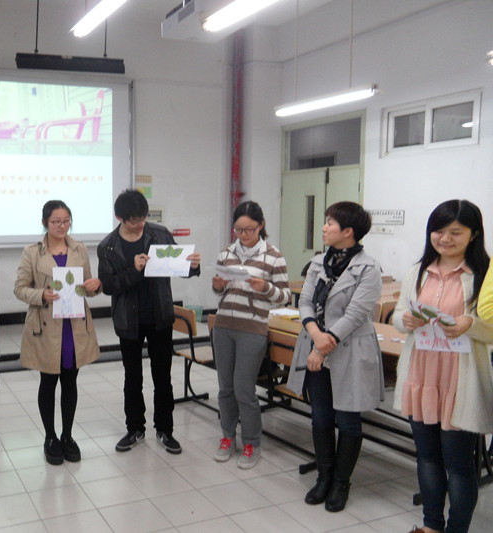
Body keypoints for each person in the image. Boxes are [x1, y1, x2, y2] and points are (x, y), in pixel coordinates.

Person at [391, 200, 493, 533]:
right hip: (421, 375)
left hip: (460, 380)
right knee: (427, 457)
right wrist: (404, 320)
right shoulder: (418, 271)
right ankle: (431, 526)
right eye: (439, 231)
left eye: (455, 232)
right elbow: (398, 316)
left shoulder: (485, 275)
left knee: (459, 465)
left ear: (473, 234)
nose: (445, 239)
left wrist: (470, 324)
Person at [287, 201, 384, 513]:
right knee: (321, 417)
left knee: (349, 420)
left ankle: (341, 483)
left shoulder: (369, 268)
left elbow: (355, 315)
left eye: (330, 223)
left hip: (349, 350)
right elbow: (304, 301)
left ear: (348, 231)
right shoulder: (318, 262)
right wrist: (315, 335)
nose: (324, 227)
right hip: (317, 345)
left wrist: (321, 345)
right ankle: (324, 477)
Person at [97, 189, 201, 454]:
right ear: (120, 218)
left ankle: (165, 430)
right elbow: (108, 286)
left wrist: (192, 266)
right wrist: (134, 271)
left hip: (159, 316)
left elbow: (178, 267)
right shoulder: (108, 246)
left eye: (143, 218)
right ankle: (135, 428)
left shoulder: (160, 234)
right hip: (128, 320)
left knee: (162, 376)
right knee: (133, 378)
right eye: (135, 220)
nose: (141, 224)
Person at [14, 200, 102, 465]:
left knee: (70, 381)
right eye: (56, 222)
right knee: (49, 381)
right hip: (46, 325)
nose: (62, 226)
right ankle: (50, 437)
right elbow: (20, 288)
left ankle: (68, 436)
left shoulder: (79, 249)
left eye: (66, 221)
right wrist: (42, 294)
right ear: (45, 223)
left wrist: (95, 286)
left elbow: (87, 287)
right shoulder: (32, 252)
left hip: (74, 326)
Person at [211, 201, 290, 469]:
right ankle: (227, 437)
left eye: (249, 229)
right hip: (224, 326)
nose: (243, 235)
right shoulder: (226, 253)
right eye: (238, 229)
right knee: (225, 388)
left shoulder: (274, 256)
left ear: (261, 226)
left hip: (252, 328)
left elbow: (285, 296)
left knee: (244, 389)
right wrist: (217, 285)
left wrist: (265, 287)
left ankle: (251, 443)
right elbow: (219, 290)